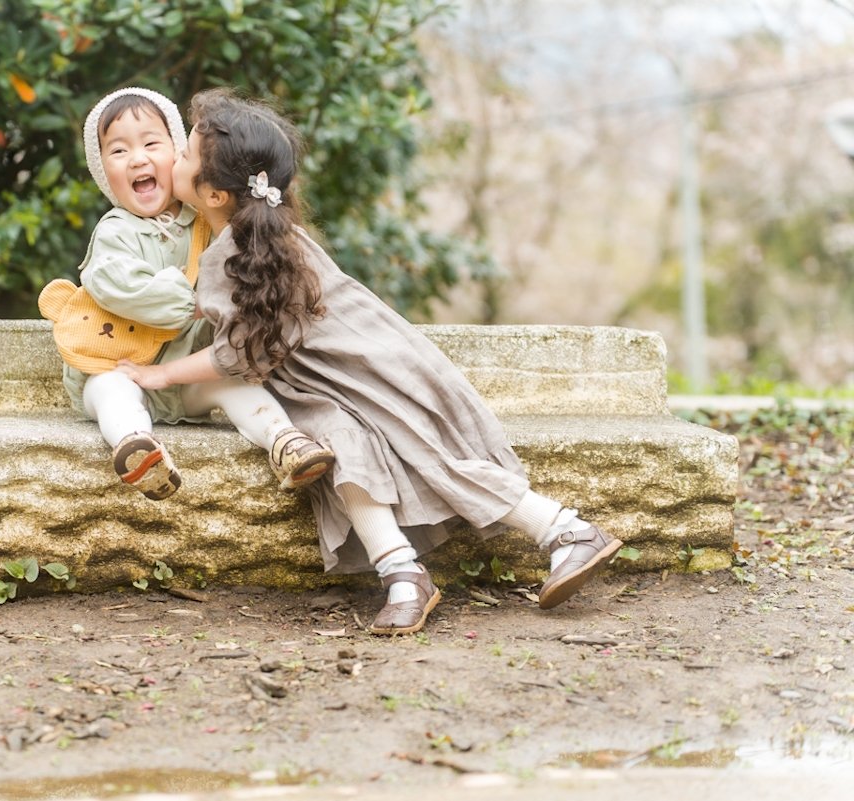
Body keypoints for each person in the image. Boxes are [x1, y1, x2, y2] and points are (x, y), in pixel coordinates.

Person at [116, 88, 623, 633]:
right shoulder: (254, 239)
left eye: (184, 154)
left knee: (432, 460)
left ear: (215, 194)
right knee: (345, 453)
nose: (173, 159)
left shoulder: (244, 251)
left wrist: (160, 374)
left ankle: (566, 530)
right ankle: (402, 572)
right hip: (327, 388)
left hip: (370, 374)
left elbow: (240, 353)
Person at [39, 87, 333, 501]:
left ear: (178, 154)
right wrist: (193, 301)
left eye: (151, 144)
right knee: (109, 393)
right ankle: (137, 448)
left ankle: (284, 440)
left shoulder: (206, 222)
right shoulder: (114, 232)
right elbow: (120, 286)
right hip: (121, 366)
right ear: (102, 170)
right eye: (118, 150)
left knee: (235, 383)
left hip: (186, 376)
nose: (137, 159)